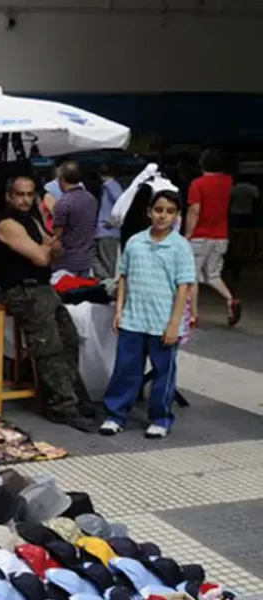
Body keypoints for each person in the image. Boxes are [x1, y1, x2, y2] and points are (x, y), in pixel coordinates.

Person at [0, 176, 95, 432]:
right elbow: (41, 256)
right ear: (9, 196)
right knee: (50, 347)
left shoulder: (32, 219)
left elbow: (55, 248)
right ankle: (63, 405)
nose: (25, 199)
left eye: (29, 194)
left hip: (42, 288)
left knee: (69, 338)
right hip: (24, 291)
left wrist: (47, 247)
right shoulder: (8, 224)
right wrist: (46, 247)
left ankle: (74, 396)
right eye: (20, 194)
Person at [100, 191, 195, 439]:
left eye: (170, 211)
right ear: (149, 212)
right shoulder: (134, 242)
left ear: (177, 216)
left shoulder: (180, 246)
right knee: (125, 369)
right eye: (159, 209)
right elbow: (124, 277)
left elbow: (184, 286)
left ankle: (161, 418)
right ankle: (115, 415)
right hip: (134, 319)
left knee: (163, 374)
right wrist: (119, 310)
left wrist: (175, 323)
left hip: (163, 322)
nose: (163, 215)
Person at [185, 148, 238, 326]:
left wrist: (187, 235)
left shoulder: (198, 184)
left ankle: (192, 315)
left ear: (201, 164)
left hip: (200, 236)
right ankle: (231, 300)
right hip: (221, 236)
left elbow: (194, 211)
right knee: (213, 275)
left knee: (190, 276)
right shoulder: (228, 182)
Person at [52, 161, 98, 277]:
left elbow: (57, 237)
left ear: (61, 179)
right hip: (87, 260)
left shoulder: (63, 203)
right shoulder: (91, 198)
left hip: (67, 262)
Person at [92, 163, 124, 279]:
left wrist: (113, 221)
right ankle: (105, 281)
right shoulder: (108, 186)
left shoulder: (112, 186)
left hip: (108, 232)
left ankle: (108, 284)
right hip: (103, 231)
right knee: (96, 258)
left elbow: (122, 204)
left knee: (107, 262)